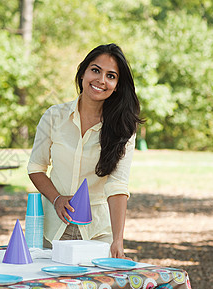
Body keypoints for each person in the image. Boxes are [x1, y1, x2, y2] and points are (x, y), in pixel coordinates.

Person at [27, 43, 143, 258]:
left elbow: (117, 185)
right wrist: (57, 199)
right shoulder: (54, 116)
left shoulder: (123, 128)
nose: (101, 80)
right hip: (51, 230)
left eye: (111, 76)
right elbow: (36, 167)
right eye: (95, 70)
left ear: (117, 85)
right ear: (83, 73)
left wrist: (117, 240)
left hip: (97, 235)